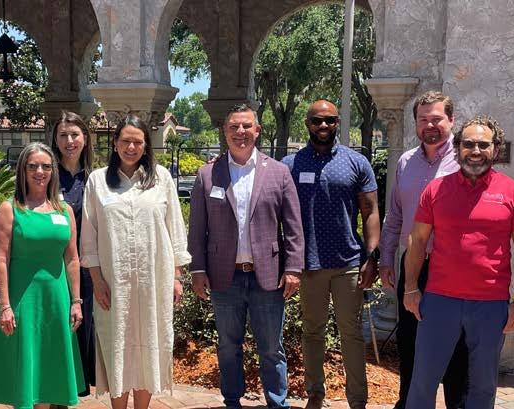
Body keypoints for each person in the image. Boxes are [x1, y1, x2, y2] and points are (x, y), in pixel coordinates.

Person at [402, 116, 514, 408]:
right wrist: (411, 287)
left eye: (483, 145)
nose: (476, 151)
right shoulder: (436, 190)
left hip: (490, 304)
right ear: (457, 148)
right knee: (423, 381)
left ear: (495, 149)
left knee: (482, 386)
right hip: (439, 301)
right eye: (469, 144)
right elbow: (418, 240)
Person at [187, 104, 304, 409]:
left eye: (246, 126)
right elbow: (197, 228)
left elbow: (293, 225)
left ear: (257, 130)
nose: (240, 132)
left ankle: (277, 402)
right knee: (228, 346)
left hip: (268, 276)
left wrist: (293, 268)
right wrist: (197, 269)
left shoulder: (279, 172)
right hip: (224, 277)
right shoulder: (207, 174)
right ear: (225, 132)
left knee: (272, 348)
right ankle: (232, 401)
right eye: (234, 127)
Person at [81, 115, 191, 409]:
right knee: (117, 345)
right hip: (112, 283)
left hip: (153, 281)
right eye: (125, 141)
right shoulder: (98, 181)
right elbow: (89, 236)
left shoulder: (161, 178)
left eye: (138, 142)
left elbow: (175, 228)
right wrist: (97, 281)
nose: (131, 147)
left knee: (148, 345)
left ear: (146, 145)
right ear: (115, 143)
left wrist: (177, 276)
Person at [283, 100, 378, 409]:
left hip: (348, 263)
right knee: (312, 332)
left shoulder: (356, 162)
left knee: (352, 333)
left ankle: (357, 400)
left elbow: (371, 211)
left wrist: (372, 256)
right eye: (317, 120)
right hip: (309, 264)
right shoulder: (291, 165)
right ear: (307, 124)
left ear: (338, 123)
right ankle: (315, 394)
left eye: (330, 120)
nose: (323, 125)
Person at [378, 91, 469, 408]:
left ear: (451, 120)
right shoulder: (406, 161)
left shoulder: (465, 160)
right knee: (410, 341)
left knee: (456, 345)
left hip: (452, 266)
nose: (430, 125)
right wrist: (386, 259)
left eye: (437, 118)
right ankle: (409, 402)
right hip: (414, 265)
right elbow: (395, 215)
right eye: (423, 119)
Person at [0, 142, 86, 408]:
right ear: (23, 170)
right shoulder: (10, 208)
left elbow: (72, 259)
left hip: (56, 300)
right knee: (26, 368)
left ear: (53, 170)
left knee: (49, 369)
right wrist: (4, 305)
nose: (40, 172)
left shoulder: (64, 211)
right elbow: (1, 259)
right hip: (22, 299)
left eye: (46, 166)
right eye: (33, 166)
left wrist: (76, 301)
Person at [50, 111, 98, 403]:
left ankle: (70, 394)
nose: (69, 141)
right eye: (63, 135)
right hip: (52, 269)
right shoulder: (46, 175)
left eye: (75, 135)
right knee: (56, 332)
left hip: (86, 270)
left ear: (85, 138)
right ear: (55, 140)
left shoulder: (96, 178)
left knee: (80, 331)